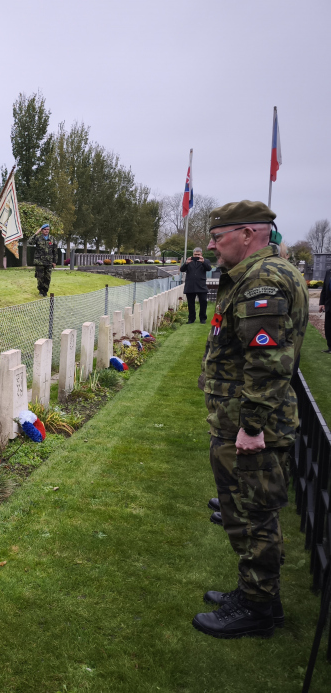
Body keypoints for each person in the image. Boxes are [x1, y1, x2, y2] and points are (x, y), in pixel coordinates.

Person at [192, 200, 308, 640]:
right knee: (245, 513)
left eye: (218, 238)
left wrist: (251, 427)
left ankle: (257, 607)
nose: (211, 246)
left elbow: (268, 361)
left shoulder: (263, 281)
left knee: (254, 517)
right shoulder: (256, 275)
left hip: (251, 428)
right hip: (240, 421)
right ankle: (258, 594)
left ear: (246, 234)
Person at [180, 247, 212, 323]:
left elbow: (209, 269)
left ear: (201, 254)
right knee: (190, 303)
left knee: (203, 302)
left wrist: (203, 262)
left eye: (198, 254)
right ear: (193, 254)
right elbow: (182, 270)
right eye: (195, 254)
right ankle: (191, 319)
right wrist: (186, 263)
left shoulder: (206, 261)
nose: (197, 256)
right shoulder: (188, 261)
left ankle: (203, 318)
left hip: (201, 285)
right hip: (190, 285)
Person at [28, 223, 58, 296]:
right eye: (45, 229)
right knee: (40, 277)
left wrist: (54, 262)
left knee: (47, 278)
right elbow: (30, 242)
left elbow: (55, 251)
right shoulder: (38, 238)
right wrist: (36, 233)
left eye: (48, 229)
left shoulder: (52, 239)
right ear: (41, 230)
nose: (46, 231)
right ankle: (41, 291)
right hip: (39, 262)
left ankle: (45, 291)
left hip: (49, 262)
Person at [320, 266, 331, 353]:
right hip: (329, 305)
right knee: (328, 328)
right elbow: (324, 289)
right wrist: (321, 303)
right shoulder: (328, 272)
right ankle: (330, 348)